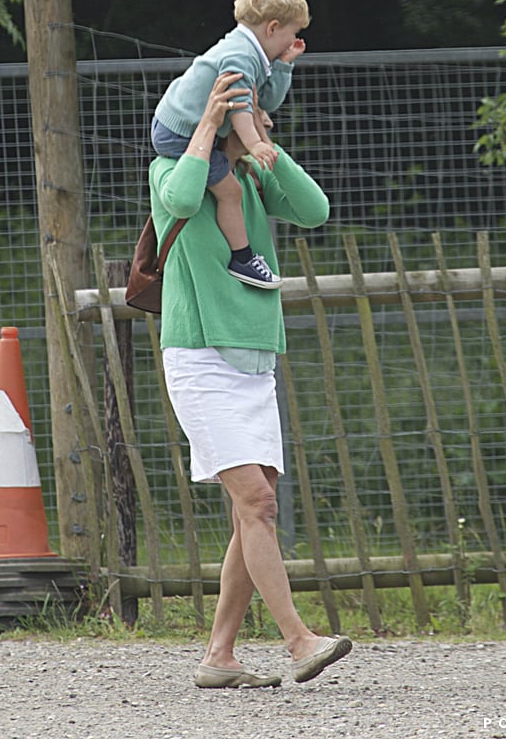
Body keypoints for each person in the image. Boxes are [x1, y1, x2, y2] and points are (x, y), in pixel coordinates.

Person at [148, 70, 353, 688]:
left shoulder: (255, 176)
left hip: (254, 361)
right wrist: (208, 126)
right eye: (256, 113)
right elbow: (183, 202)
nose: (265, 119)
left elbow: (315, 210)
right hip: (201, 358)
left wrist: (266, 148)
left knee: (250, 510)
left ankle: (219, 656)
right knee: (257, 503)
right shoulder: (170, 172)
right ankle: (299, 641)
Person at [151, 0, 309, 289]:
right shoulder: (240, 55)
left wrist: (284, 66)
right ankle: (243, 258)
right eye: (291, 34)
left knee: (231, 187)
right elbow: (240, 109)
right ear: (272, 27)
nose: (291, 42)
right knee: (231, 191)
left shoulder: (253, 53)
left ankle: (242, 257)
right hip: (179, 134)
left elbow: (263, 103)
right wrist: (255, 144)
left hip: (190, 130)